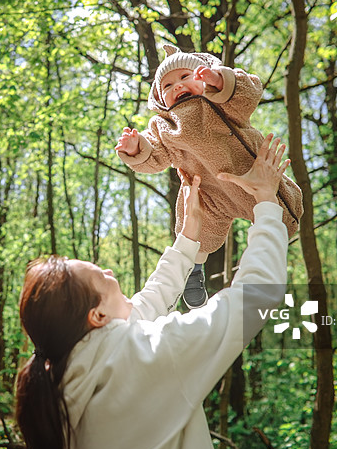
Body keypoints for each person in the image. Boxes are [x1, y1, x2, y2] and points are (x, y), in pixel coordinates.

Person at [15, 134, 291, 449]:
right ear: (97, 317)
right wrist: (267, 205)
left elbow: (150, 301)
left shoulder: (65, 379)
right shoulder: (152, 354)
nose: (110, 274)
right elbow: (257, 297)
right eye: (100, 277)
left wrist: (189, 236)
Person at [115, 45, 303, 309]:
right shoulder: (164, 125)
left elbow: (249, 93)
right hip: (207, 191)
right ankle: (193, 268)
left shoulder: (220, 103)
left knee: (281, 211)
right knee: (193, 225)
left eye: (184, 77)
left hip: (249, 174)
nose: (177, 86)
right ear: (159, 98)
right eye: (167, 86)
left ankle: (269, 258)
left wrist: (220, 81)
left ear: (202, 76)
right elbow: (155, 155)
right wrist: (135, 148)